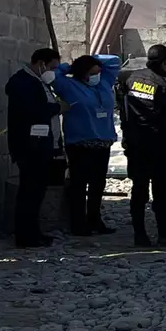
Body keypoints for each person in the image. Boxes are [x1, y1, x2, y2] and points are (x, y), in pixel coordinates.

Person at [116, 44, 166, 247]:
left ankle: (139, 235)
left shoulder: (131, 78)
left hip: (136, 145)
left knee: (138, 190)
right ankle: (163, 236)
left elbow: (123, 109)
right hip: (159, 147)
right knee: (161, 193)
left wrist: (127, 134)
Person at [52, 54, 122, 236]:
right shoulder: (68, 86)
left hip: (103, 142)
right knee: (79, 184)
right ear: (82, 73)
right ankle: (78, 223)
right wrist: (70, 66)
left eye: (98, 72)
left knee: (98, 184)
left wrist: (93, 59)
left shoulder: (104, 83)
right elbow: (54, 74)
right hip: (79, 143)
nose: (96, 76)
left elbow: (114, 61)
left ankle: (95, 219)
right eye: (92, 73)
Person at [5, 48, 68, 247]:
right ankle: (26, 237)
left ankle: (34, 232)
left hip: (41, 146)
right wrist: (58, 108)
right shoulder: (23, 82)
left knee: (37, 193)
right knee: (29, 193)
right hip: (30, 148)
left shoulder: (39, 82)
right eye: (52, 68)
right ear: (41, 63)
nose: (53, 72)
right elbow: (33, 111)